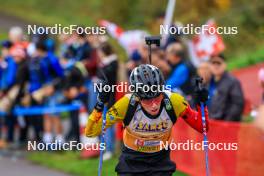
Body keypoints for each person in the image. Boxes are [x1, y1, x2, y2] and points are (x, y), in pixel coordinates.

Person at [85, 64, 209, 176]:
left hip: (160, 161)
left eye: (157, 97)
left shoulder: (175, 102)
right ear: (137, 96)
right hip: (132, 161)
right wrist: (100, 105)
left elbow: (202, 128)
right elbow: (91, 132)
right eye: (147, 100)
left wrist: (201, 103)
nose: (154, 105)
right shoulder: (126, 104)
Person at [208, 54, 244, 121]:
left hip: (227, 125)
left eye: (219, 63)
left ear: (225, 65)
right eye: (213, 63)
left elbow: (237, 104)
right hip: (213, 123)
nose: (216, 66)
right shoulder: (209, 83)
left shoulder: (232, 82)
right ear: (209, 66)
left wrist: (226, 122)